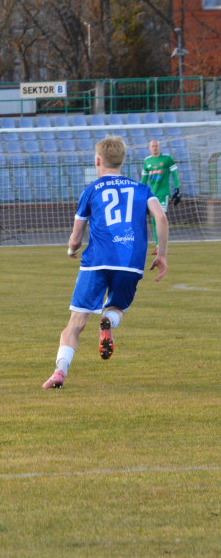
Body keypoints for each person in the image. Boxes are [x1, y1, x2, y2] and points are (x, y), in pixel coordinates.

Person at [43, 136, 168, 389]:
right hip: (130, 262)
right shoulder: (142, 189)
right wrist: (162, 253)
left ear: (98, 160)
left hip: (96, 262)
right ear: (122, 160)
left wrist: (71, 250)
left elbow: (77, 237)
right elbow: (161, 218)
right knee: (117, 308)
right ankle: (108, 322)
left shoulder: (90, 190)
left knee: (75, 323)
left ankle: (60, 371)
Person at [140, 139, 180, 255]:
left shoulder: (167, 159)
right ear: (149, 148)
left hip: (163, 193)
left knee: (159, 218)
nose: (155, 148)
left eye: (156, 146)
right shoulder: (147, 161)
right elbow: (144, 179)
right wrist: (140, 191)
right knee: (153, 219)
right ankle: (159, 246)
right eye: (152, 146)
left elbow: (175, 174)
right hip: (151, 194)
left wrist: (177, 189)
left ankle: (162, 246)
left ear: (160, 147)